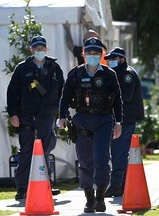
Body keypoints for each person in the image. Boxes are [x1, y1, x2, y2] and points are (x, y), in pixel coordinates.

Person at [58, 37, 123, 213]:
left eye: (96, 53)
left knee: (102, 159)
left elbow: (117, 101)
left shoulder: (109, 75)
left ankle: (100, 196)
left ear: (101, 54)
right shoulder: (75, 74)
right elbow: (65, 97)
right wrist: (61, 117)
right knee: (86, 162)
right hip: (82, 121)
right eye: (89, 53)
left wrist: (118, 122)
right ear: (84, 54)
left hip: (103, 121)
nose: (92, 55)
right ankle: (89, 198)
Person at [7, 35, 65, 200]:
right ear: (31, 49)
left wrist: (62, 114)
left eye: (42, 48)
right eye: (36, 48)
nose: (39, 51)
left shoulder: (54, 68)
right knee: (26, 151)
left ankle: (46, 185)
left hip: (46, 115)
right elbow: (12, 93)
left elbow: (63, 93)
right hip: (26, 116)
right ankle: (22, 188)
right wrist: (13, 114)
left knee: (45, 151)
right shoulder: (22, 69)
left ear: (46, 49)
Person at [103, 47, 145, 197]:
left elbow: (125, 96)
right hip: (122, 119)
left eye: (113, 59)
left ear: (121, 59)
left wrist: (106, 98)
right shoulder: (118, 73)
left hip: (126, 119)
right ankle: (124, 184)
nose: (110, 62)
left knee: (118, 152)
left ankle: (116, 185)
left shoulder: (126, 74)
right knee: (119, 152)